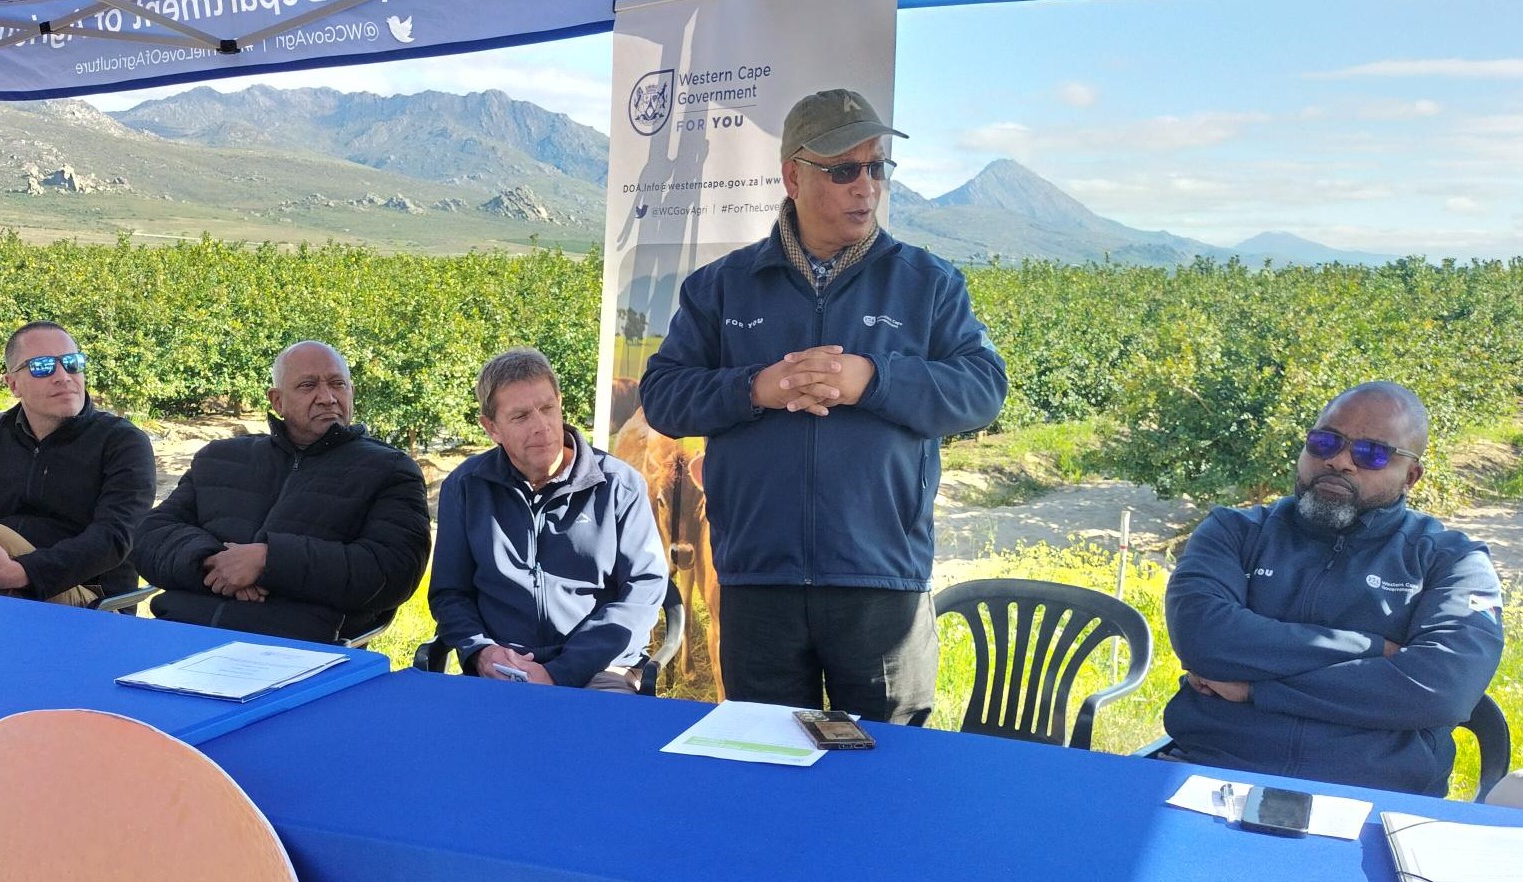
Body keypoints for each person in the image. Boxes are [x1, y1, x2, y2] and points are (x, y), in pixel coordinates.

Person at [639, 88, 1008, 724]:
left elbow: (982, 388)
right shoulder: (721, 286)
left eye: (876, 167)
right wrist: (755, 389)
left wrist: (874, 379)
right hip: (760, 583)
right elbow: (663, 394)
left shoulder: (929, 283)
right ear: (792, 177)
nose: (865, 186)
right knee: (770, 776)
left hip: (881, 582)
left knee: (889, 779)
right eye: (843, 170)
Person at [1164, 382, 1503, 796]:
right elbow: (1206, 638)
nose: (1340, 461)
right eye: (1325, 442)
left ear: (1410, 475)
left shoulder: (1452, 561)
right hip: (1211, 772)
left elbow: (1441, 689)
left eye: (1372, 453)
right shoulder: (1234, 532)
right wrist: (1376, 649)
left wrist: (1256, 690)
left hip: (1378, 796)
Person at [133, 341, 430, 642]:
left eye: (337, 384)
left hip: (297, 648)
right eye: (307, 385)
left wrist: (268, 561)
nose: (327, 397)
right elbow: (150, 534)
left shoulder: (390, 470)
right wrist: (213, 562)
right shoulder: (220, 458)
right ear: (277, 401)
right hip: (179, 633)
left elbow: (392, 571)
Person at [430, 348, 668, 691]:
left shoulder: (619, 485)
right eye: (521, 416)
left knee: (594, 739)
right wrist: (480, 651)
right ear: (491, 428)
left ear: (560, 403)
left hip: (600, 668)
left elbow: (643, 591)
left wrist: (562, 670)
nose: (541, 426)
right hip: (504, 669)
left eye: (547, 408)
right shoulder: (466, 488)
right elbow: (450, 593)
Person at [0, 322, 155, 606]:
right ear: (13, 384)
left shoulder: (123, 442)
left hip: (91, 598)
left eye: (72, 363)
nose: (63, 376)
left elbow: (113, 538)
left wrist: (19, 572)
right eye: (43, 367)